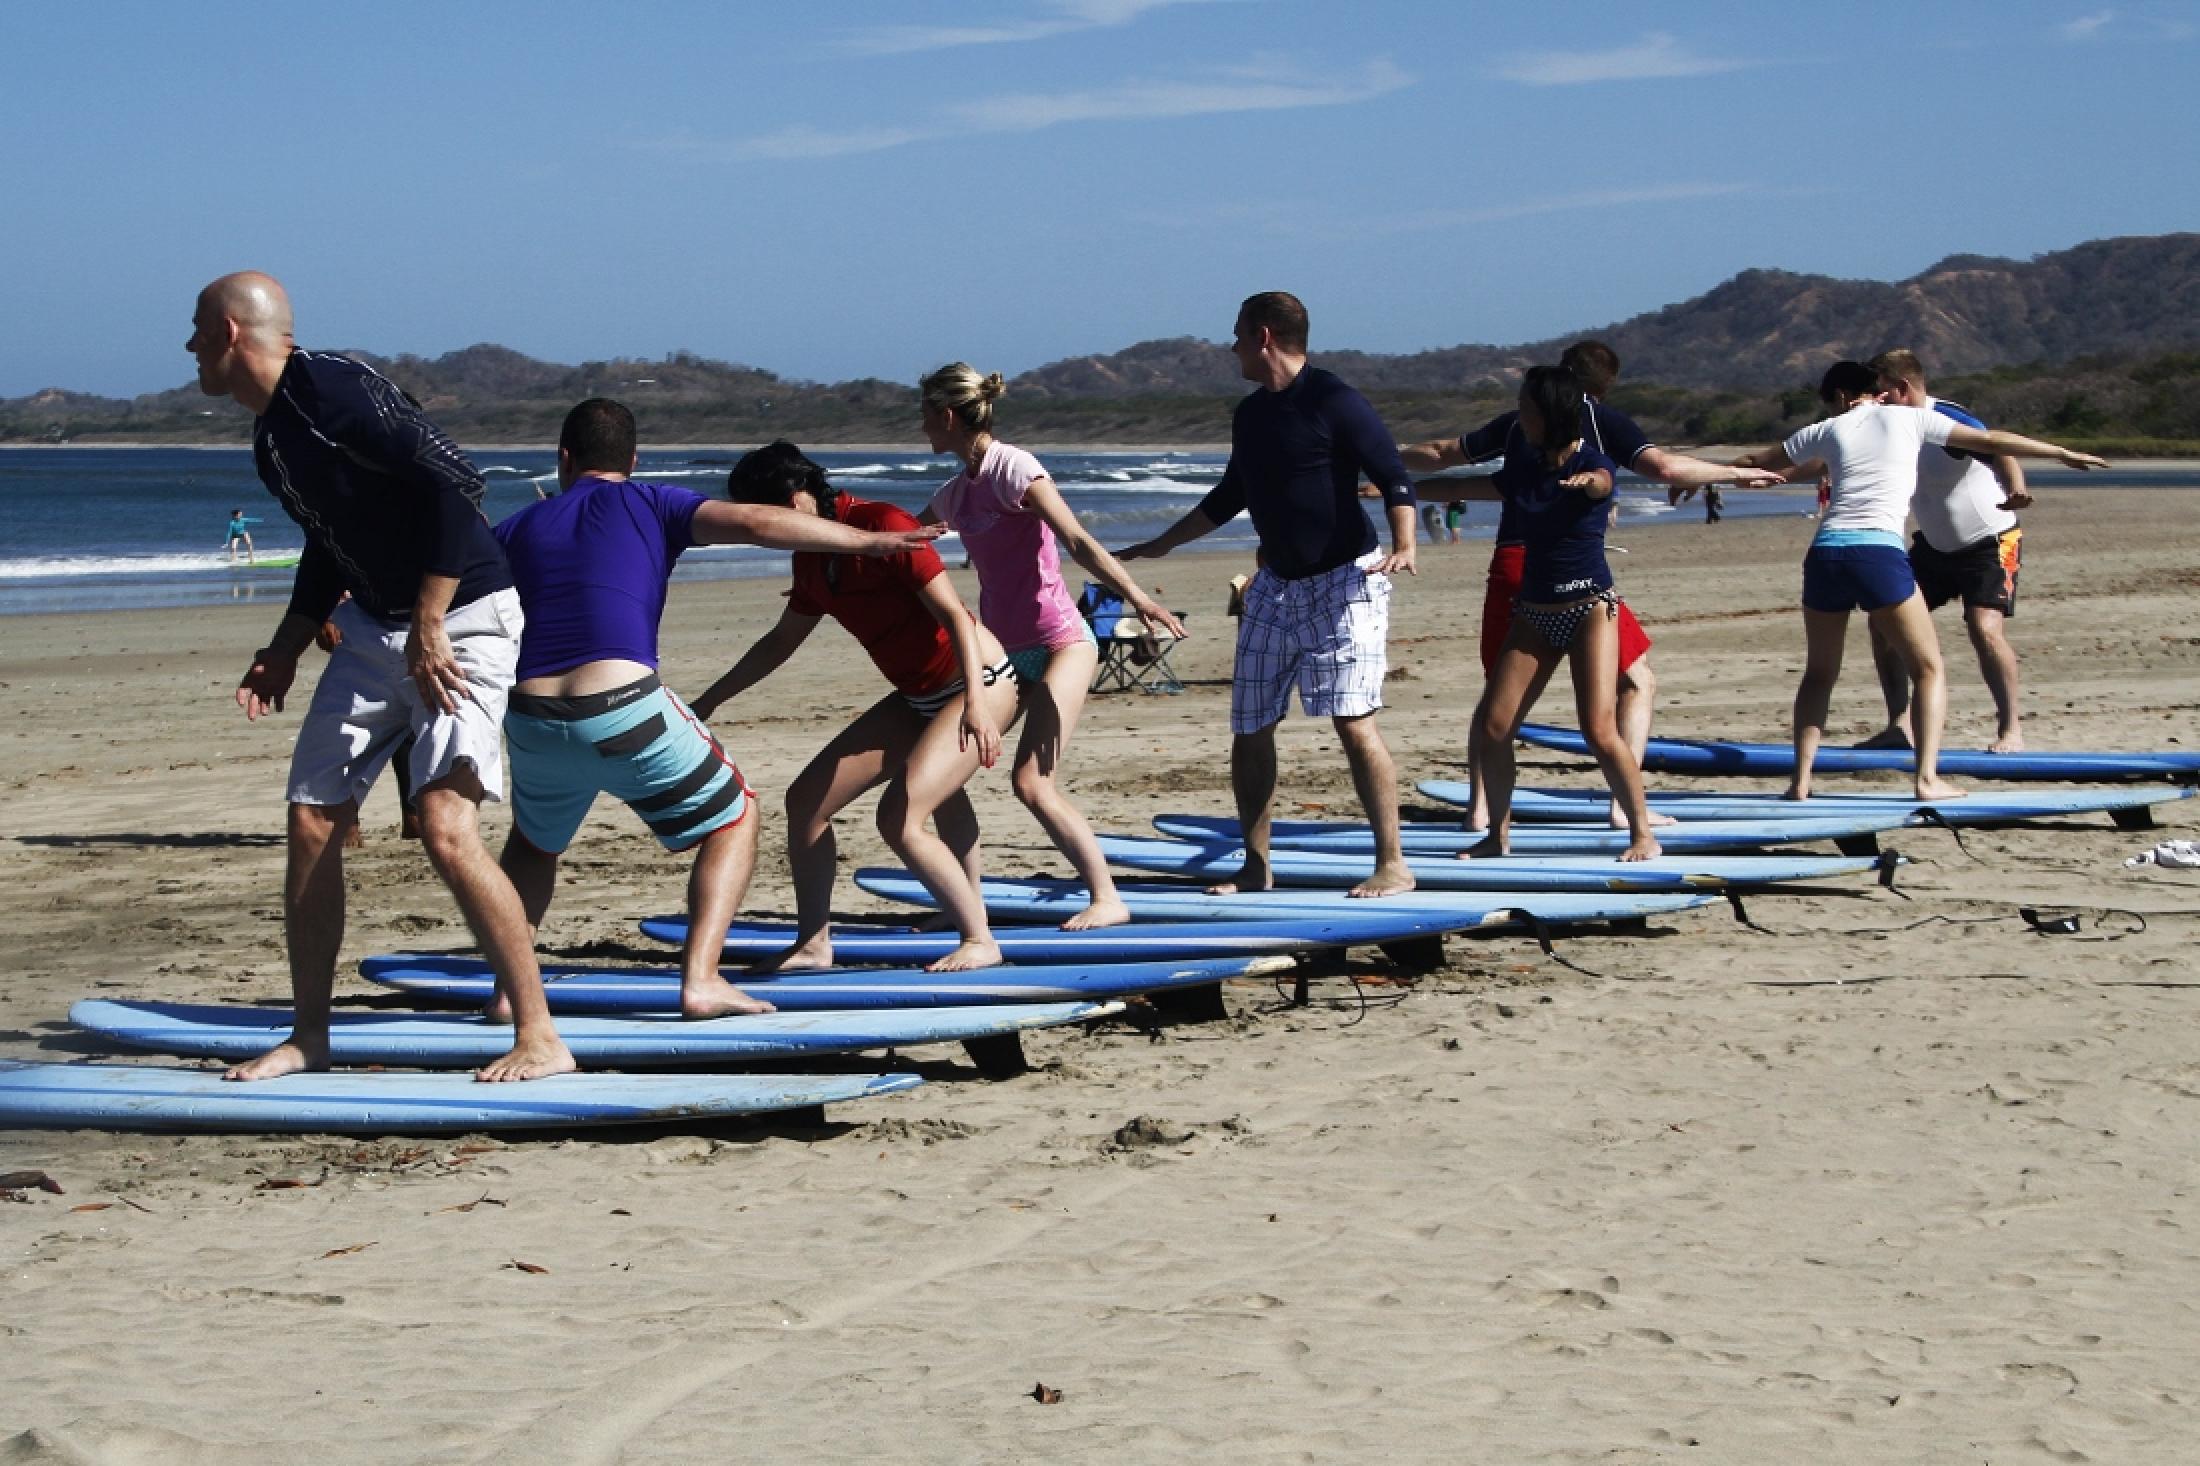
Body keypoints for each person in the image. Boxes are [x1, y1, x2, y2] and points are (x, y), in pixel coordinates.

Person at [186, 270, 571, 1082]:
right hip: (374, 628)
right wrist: (285, 646)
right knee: (312, 820)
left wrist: (431, 620)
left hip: (463, 618)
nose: (189, 350)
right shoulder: (272, 442)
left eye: (195, 332)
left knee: (443, 825)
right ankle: (309, 1036)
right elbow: (330, 543)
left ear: (227, 332)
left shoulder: (335, 387)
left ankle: (539, 1034)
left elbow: (454, 481)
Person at [493, 401, 945, 1016]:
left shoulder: (513, 527)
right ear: (632, 461)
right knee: (734, 817)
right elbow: (758, 524)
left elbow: (442, 599)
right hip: (621, 705)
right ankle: (702, 979)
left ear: (564, 459)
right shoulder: (653, 502)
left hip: (530, 718)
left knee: (532, 845)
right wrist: (867, 539)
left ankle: (507, 993)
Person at [1403, 339, 1780, 827]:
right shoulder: (1595, 420)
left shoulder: (1520, 425)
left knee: (1500, 699)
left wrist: (1384, 466)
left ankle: (1481, 809)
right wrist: (1730, 473)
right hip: (1561, 577)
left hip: (1511, 565)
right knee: (1636, 680)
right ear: (1603, 386)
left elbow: (1441, 455)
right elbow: (1661, 467)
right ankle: (1624, 810)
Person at [1118, 291, 1418, 898]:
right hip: (1276, 587)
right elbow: (1229, 496)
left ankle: (1393, 863)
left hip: (1346, 581)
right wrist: (1163, 544)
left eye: (1235, 336)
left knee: (1353, 721)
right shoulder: (1250, 414)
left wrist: (1407, 544)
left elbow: (1393, 476)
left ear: (1262, 337)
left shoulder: (1335, 399)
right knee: (1250, 725)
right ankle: (1255, 866)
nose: (1230, 348)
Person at [690, 442, 1022, 972]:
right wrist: (708, 701)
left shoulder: (884, 524)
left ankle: (979, 938)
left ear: (797, 503)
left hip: (978, 682)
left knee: (902, 817)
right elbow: (779, 644)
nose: (764, 533)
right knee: (807, 802)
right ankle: (814, 943)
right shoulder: (813, 560)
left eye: (765, 518)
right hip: (917, 697)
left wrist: (978, 707)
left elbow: (956, 617)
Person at [1730, 362, 2107, 801]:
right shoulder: (1910, 419)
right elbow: (1991, 440)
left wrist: (1702, 478)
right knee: (1928, 669)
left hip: (1826, 553)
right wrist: (2059, 451)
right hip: (1878, 553)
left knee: (1818, 674)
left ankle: (1800, 783)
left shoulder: (1827, 428)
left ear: (1838, 396)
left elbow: (1758, 464)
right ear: (1876, 391)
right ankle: (1926, 779)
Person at [918, 363, 1186, 930]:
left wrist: (1137, 597)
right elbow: (902, 542)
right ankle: (966, 906)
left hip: (1062, 641)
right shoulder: (953, 494)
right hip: (1005, 654)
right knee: (943, 778)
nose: (923, 431)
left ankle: (1107, 897)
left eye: (926, 418)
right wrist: (835, 560)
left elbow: (1077, 538)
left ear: (946, 416)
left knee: (1031, 782)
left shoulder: (1014, 468)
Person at [1445, 367, 1661, 859]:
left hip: (1589, 609)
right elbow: (1485, 487)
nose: (1518, 416)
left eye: (1526, 408)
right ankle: (1497, 836)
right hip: (1535, 614)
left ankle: (1642, 834)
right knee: (1495, 727)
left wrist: (1590, 483)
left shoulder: (1591, 459)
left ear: (1550, 415)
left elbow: (1603, 481)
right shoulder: (1526, 463)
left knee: (1599, 731)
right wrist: (1400, 489)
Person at [1857, 348, 2033, 754]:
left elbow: (1997, 447)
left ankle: (2011, 729)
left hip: (1991, 542)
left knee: (1983, 628)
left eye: (1881, 392)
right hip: (1934, 548)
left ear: (1902, 388)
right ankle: (1900, 724)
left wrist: (2015, 486)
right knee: (1883, 622)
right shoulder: (1884, 426)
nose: (1875, 400)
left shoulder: (1947, 419)